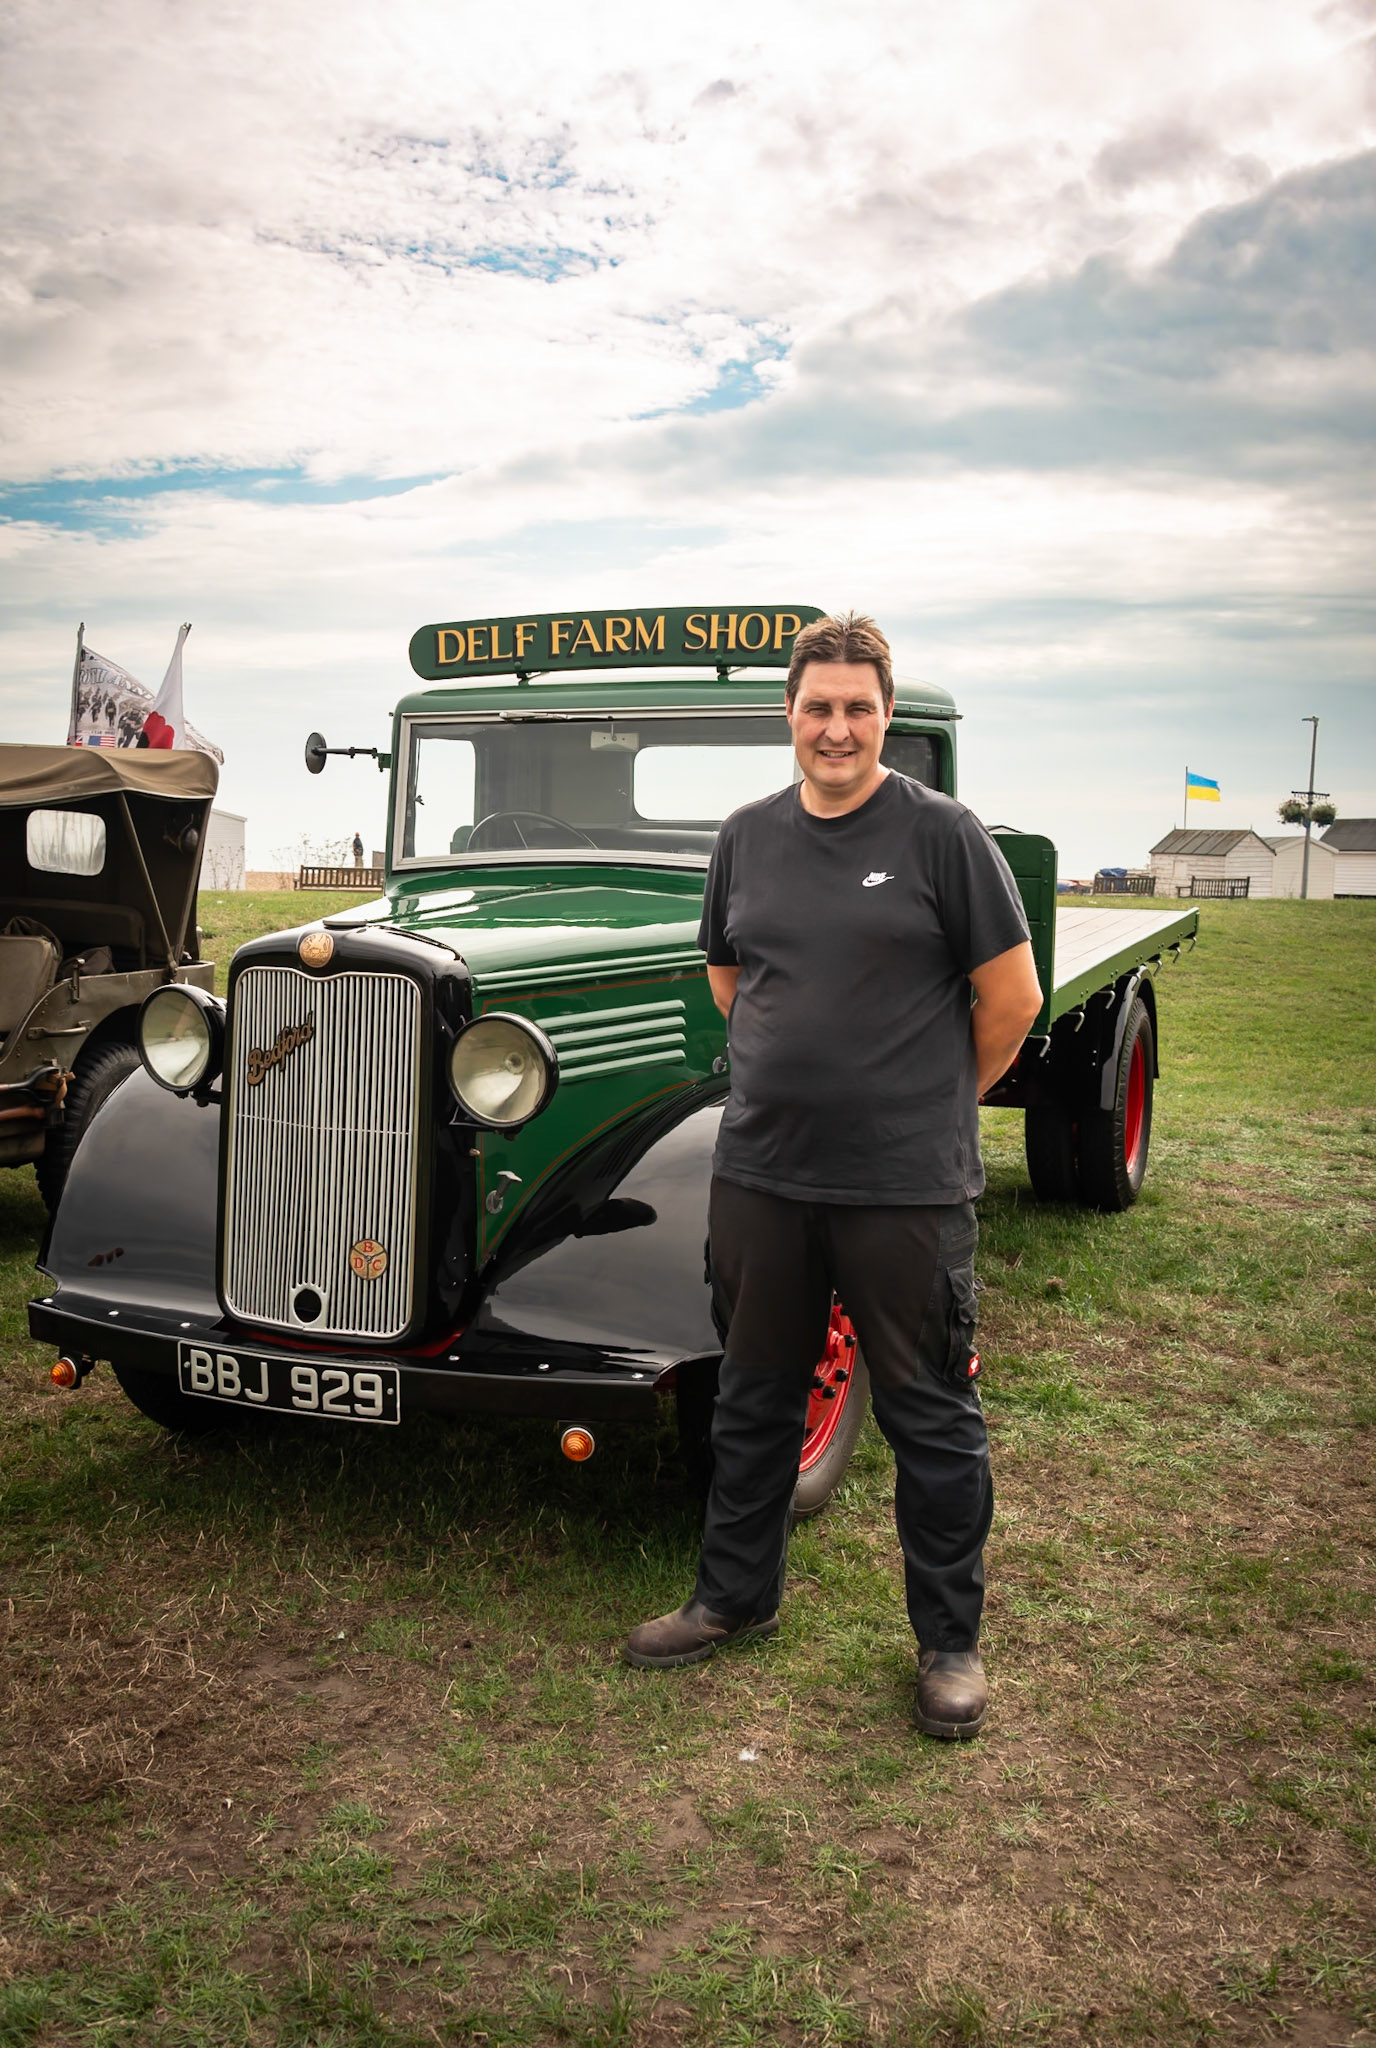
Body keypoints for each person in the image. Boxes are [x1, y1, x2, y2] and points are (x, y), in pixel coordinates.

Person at [623, 612, 1043, 1738]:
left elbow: (1010, 1002)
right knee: (752, 1396)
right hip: (762, 1172)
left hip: (903, 1188)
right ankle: (732, 1597)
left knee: (928, 1413)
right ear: (789, 716)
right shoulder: (745, 837)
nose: (837, 726)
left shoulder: (942, 836)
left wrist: (922, 1102)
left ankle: (948, 1644)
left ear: (885, 717)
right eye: (818, 707)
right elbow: (730, 977)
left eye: (858, 706)